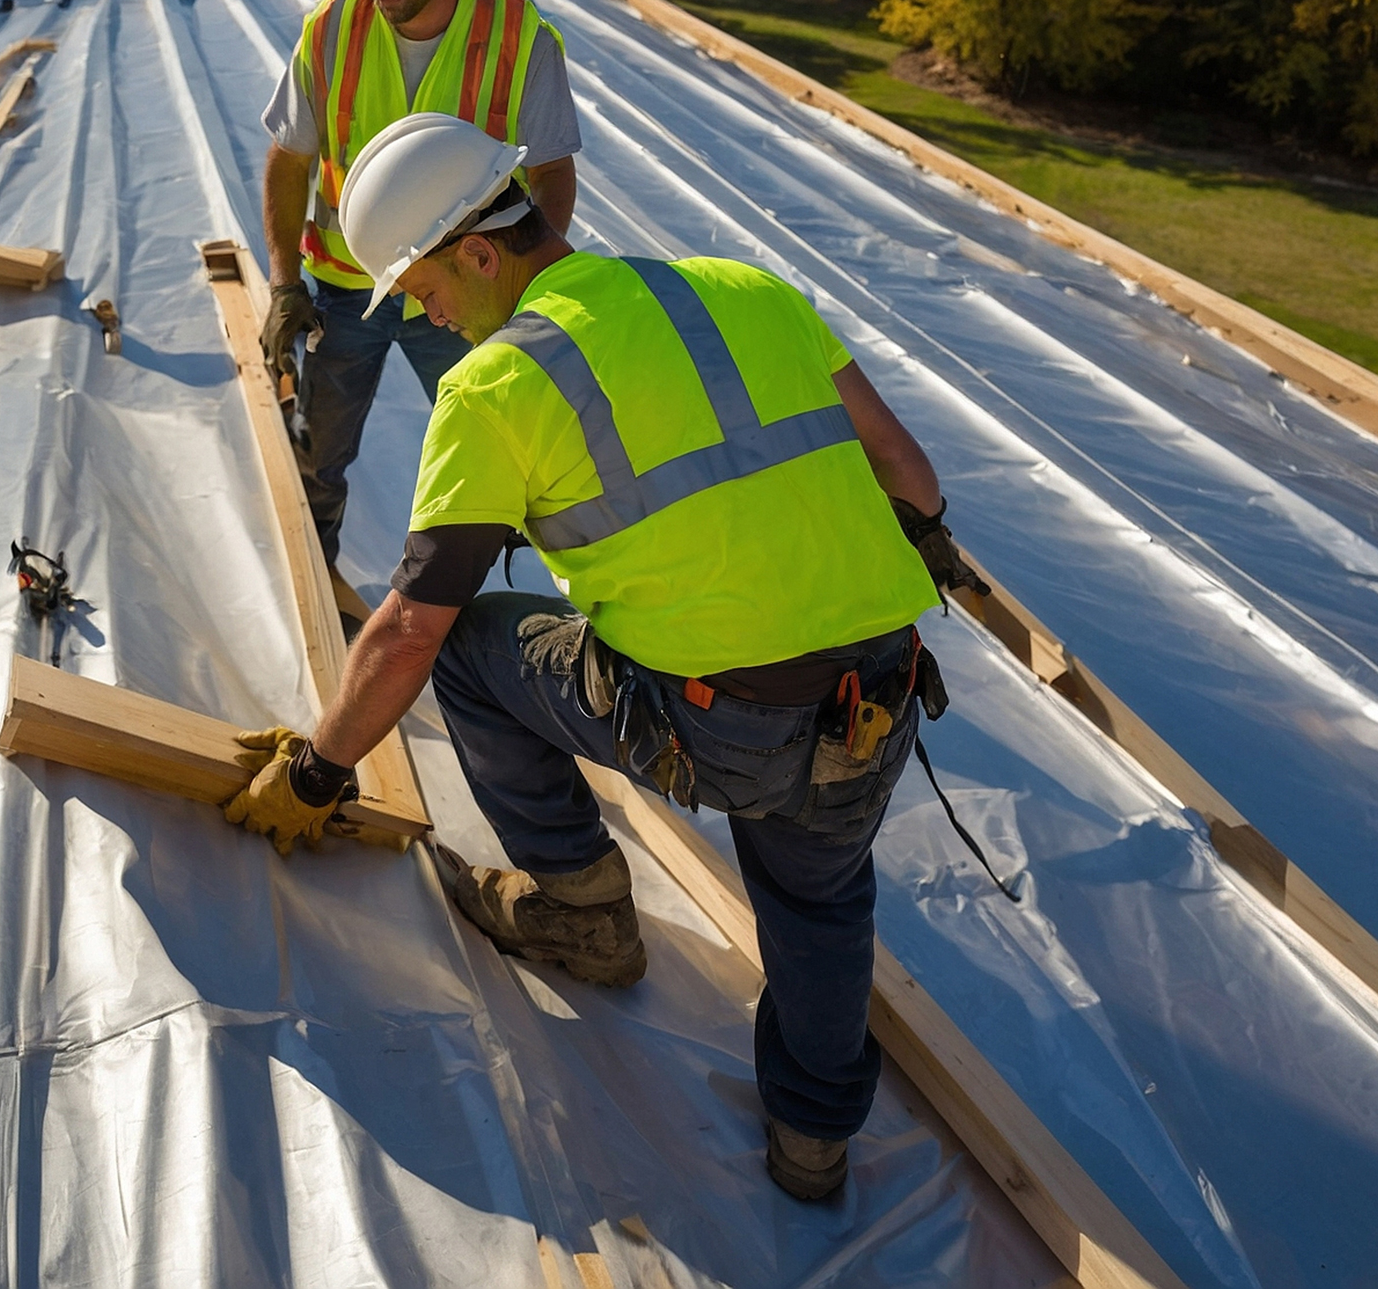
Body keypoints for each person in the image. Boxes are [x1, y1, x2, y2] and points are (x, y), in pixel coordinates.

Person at [220, 113, 988, 1202]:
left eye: (426, 288)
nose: (425, 312)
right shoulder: (746, 288)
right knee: (819, 898)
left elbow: (407, 631)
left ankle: (584, 909)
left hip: (721, 723)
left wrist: (319, 768)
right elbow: (907, 473)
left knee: (478, 650)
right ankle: (815, 1143)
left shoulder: (496, 387)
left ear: (482, 251)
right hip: (879, 699)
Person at [259, 0, 582, 566]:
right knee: (318, 456)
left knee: (502, 455)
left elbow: (554, 171)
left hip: (470, 291)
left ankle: (482, 610)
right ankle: (318, 586)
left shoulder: (516, 35)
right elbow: (289, 161)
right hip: (348, 293)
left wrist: (524, 291)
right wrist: (284, 284)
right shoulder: (329, 29)